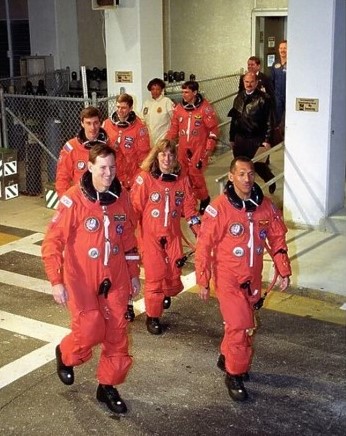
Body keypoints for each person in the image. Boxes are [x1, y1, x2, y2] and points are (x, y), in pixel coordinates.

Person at [41, 143, 141, 414]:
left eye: (113, 167)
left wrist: (133, 275)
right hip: (81, 279)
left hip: (116, 278)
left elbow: (129, 241)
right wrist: (56, 280)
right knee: (89, 330)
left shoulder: (123, 198)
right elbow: (51, 242)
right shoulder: (73, 200)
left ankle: (108, 386)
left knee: (117, 334)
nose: (109, 173)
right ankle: (66, 354)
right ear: (90, 167)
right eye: (103, 168)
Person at [195, 156, 291, 402]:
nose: (247, 179)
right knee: (240, 325)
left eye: (250, 174)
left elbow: (277, 238)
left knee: (244, 327)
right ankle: (234, 375)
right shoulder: (219, 208)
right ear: (230, 177)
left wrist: (283, 268)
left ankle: (227, 356)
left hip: (253, 279)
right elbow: (204, 246)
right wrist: (203, 279)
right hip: (228, 278)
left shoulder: (266, 207)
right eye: (241, 174)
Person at [131, 139, 200, 335]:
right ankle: (153, 317)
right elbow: (134, 210)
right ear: (156, 156)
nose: (167, 159)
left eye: (170, 155)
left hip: (172, 235)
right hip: (150, 236)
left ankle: (165, 293)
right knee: (155, 277)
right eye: (163, 154)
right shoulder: (144, 179)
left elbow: (189, 208)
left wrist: (199, 232)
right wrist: (126, 235)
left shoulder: (182, 180)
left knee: (174, 275)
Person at [166, 80, 219, 214]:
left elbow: (213, 129)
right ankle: (189, 204)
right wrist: (166, 143)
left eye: (187, 92)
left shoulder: (205, 108)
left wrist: (208, 148)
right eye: (182, 92)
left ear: (195, 93)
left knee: (196, 175)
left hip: (199, 148)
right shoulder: (179, 109)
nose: (183, 95)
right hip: (183, 148)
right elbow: (173, 129)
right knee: (184, 176)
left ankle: (204, 198)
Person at [228, 72, 276, 194]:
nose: (249, 84)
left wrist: (266, 140)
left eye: (251, 82)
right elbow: (234, 119)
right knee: (240, 166)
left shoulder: (264, 99)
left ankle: (270, 180)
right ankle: (238, 190)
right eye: (246, 82)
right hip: (240, 139)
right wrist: (232, 138)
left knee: (258, 166)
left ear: (256, 83)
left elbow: (270, 121)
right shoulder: (238, 98)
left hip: (256, 138)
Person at [55, 106, 108, 198]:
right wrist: (65, 201)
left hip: (104, 198)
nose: (92, 127)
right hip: (81, 200)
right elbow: (62, 178)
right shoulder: (71, 147)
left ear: (100, 123)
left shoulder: (109, 146)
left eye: (95, 123)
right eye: (88, 123)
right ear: (82, 124)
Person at [102, 93, 150, 190]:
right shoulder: (107, 124)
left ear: (131, 108)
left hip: (131, 173)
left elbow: (143, 156)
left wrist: (138, 176)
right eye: (118, 107)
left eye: (123, 108)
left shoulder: (139, 127)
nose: (120, 111)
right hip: (111, 170)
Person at [141, 78, 175, 146]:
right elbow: (142, 119)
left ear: (162, 90)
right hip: (149, 139)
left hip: (163, 139)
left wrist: (169, 136)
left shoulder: (166, 101)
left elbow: (174, 119)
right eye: (153, 89)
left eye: (157, 89)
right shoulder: (146, 103)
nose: (155, 91)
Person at [271, 40, 287, 130]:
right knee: (277, 118)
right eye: (281, 48)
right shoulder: (275, 64)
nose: (282, 50)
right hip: (277, 96)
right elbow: (271, 81)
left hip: (289, 95)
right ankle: (278, 138)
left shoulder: (293, 64)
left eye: (285, 48)